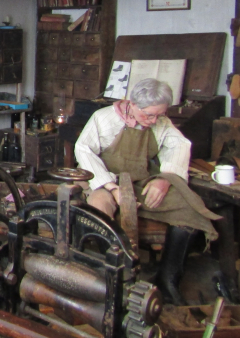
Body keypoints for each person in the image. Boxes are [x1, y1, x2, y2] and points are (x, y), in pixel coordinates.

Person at [75, 77, 219, 305]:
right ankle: (113, 280)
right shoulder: (104, 119)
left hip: (139, 182)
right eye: (148, 115)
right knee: (99, 208)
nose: (153, 121)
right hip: (102, 180)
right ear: (133, 104)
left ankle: (167, 279)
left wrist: (165, 178)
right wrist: (112, 188)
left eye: (159, 115)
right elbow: (83, 150)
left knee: (190, 206)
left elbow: (179, 146)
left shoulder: (161, 123)